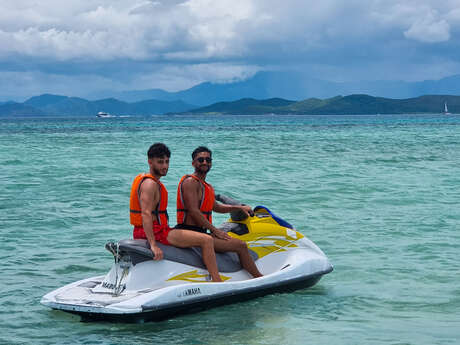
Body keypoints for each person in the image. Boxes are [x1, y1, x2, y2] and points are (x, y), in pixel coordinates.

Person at [129, 143, 223, 282]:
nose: (165, 166)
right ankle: (217, 281)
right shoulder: (150, 184)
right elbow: (146, 214)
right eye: (160, 162)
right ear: (150, 162)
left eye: (167, 162)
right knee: (207, 240)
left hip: (156, 229)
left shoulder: (153, 182)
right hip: (154, 231)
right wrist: (153, 245)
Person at [176, 146, 263, 278]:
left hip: (201, 232)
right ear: (193, 163)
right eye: (201, 160)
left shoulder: (206, 186)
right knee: (241, 245)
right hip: (189, 231)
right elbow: (193, 211)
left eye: (208, 160)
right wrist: (215, 231)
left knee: (234, 240)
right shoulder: (190, 182)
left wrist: (239, 208)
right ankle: (259, 278)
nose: (205, 162)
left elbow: (216, 207)